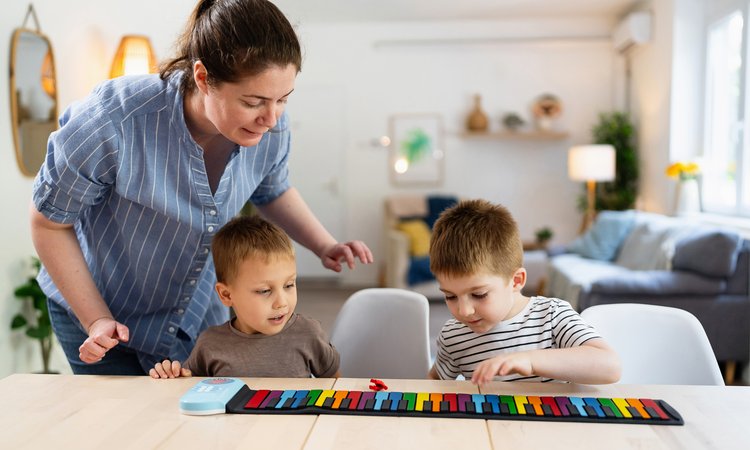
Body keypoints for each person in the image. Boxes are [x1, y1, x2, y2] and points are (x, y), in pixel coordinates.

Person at [29, 0, 372, 376]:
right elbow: (49, 223)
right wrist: (96, 319)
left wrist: (324, 244)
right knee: (121, 427)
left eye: (283, 100)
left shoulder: (270, 126)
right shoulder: (113, 119)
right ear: (203, 77)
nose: (271, 118)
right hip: (102, 311)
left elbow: (272, 189)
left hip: (193, 316)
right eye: (253, 101)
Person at [427, 199, 621, 385]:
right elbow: (434, 384)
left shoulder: (552, 315)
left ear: (516, 281)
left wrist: (531, 360)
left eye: (479, 294)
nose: (464, 311)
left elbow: (610, 366)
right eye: (450, 296)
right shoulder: (454, 336)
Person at [150, 215, 339, 378]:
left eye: (289, 285)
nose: (282, 302)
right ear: (226, 294)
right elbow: (190, 392)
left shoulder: (308, 334)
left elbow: (337, 386)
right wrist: (173, 376)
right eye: (265, 291)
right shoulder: (210, 344)